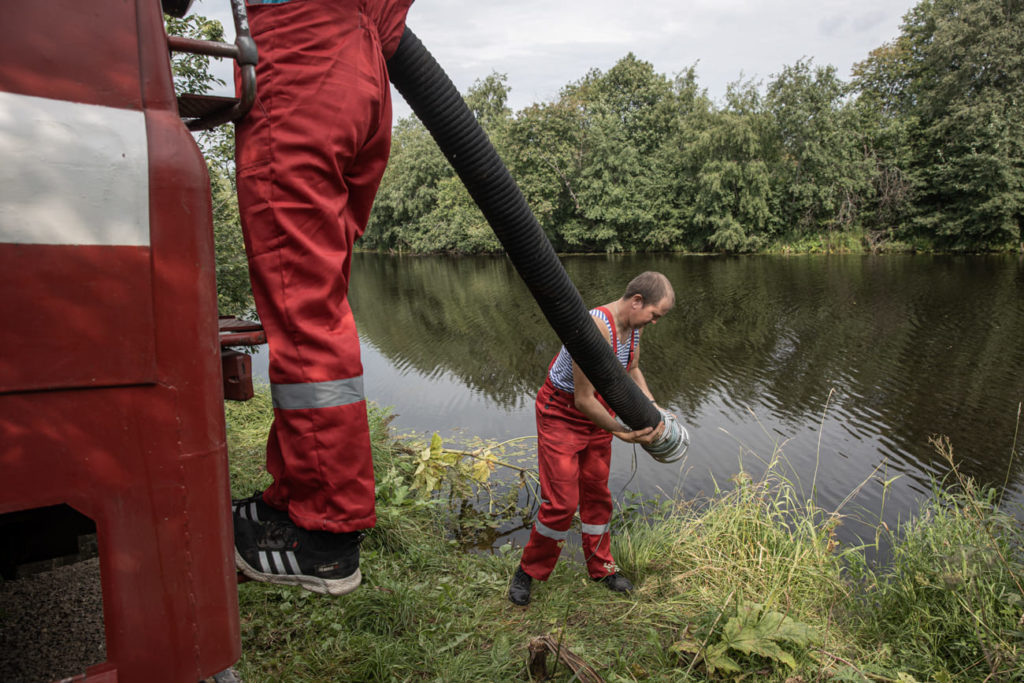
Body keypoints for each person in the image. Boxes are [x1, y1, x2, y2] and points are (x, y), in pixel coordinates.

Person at [230, 0, 414, 596]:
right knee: (315, 298)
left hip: (299, 57)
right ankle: (290, 499)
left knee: (302, 310)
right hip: (359, 65)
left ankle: (325, 539)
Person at [508, 271, 674, 606]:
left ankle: (602, 569)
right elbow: (582, 399)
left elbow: (631, 369)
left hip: (598, 413)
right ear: (637, 301)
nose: (654, 321)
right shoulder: (594, 327)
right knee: (562, 502)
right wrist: (622, 432)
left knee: (598, 495)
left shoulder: (633, 327)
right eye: (654, 314)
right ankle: (528, 572)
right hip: (562, 413)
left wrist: (653, 406)